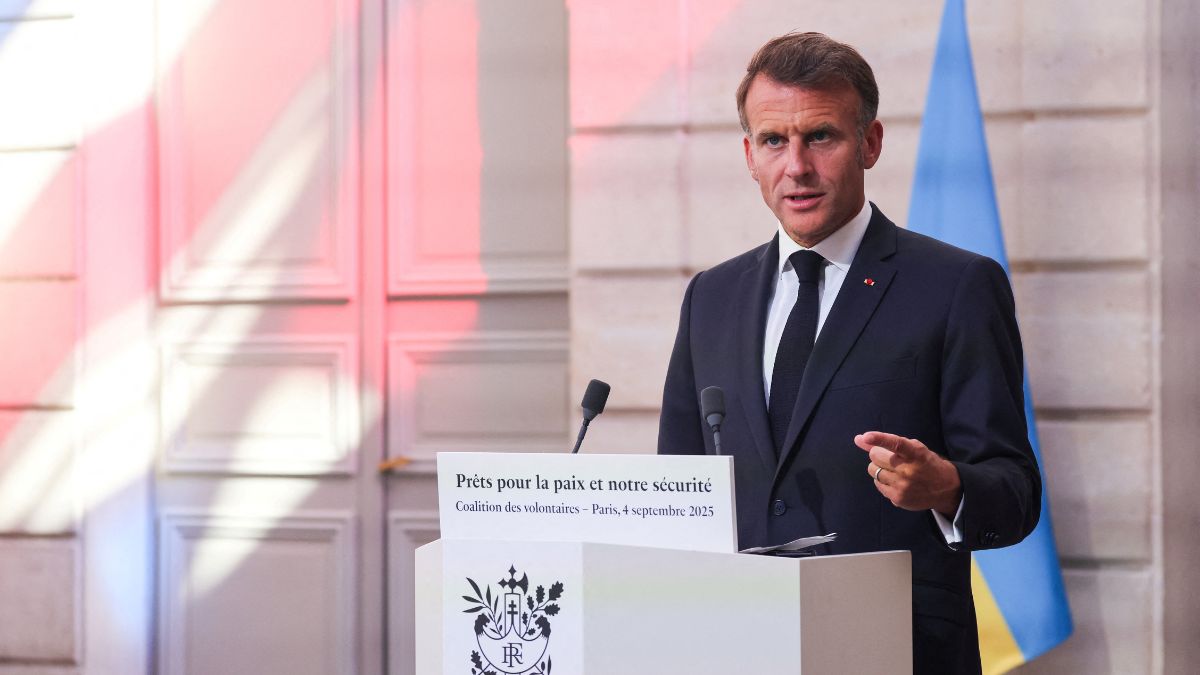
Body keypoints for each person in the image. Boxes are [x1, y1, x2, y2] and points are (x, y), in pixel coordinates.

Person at [657, 32, 1041, 674]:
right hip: (734, 643)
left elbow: (1015, 490)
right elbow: (677, 490)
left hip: (896, 648)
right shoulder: (710, 298)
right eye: (775, 141)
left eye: (821, 137)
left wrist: (946, 487)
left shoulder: (956, 286)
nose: (797, 167)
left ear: (870, 142)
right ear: (749, 154)